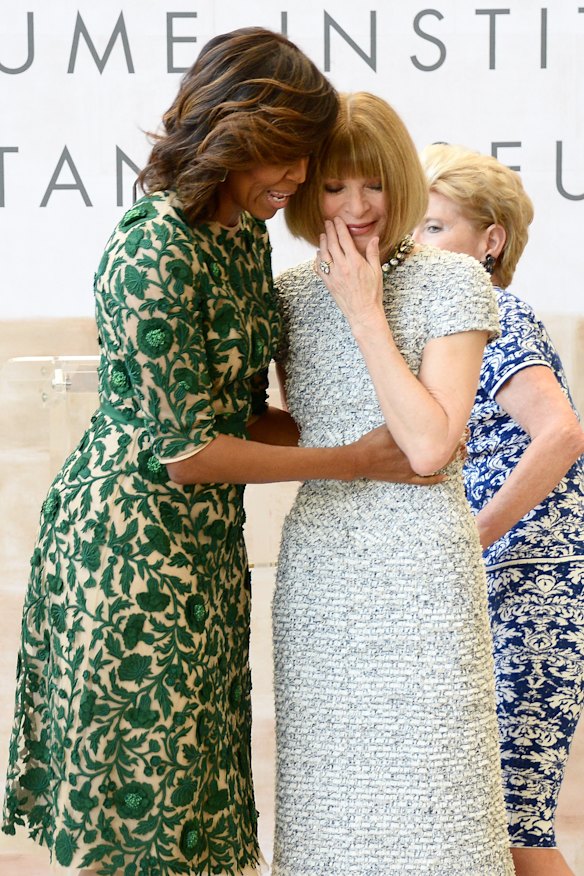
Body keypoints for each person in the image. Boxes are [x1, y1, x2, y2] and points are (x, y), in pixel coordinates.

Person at [0, 31, 430, 876]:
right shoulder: (149, 248)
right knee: (140, 817)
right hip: (126, 552)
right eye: (285, 156)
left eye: (304, 158)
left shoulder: (241, 234)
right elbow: (190, 450)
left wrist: (392, 430)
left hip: (200, 555)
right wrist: (350, 459)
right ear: (233, 128)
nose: (300, 179)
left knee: (197, 809)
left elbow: (239, 412)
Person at [270, 92, 515, 875]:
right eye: (336, 186)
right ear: (308, 190)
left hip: (421, 567)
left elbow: (428, 445)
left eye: (373, 184)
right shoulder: (286, 294)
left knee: (439, 798)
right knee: (328, 802)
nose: (355, 206)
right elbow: (294, 428)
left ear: (401, 181)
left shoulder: (452, 282)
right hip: (321, 570)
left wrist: (364, 308)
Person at [412, 143, 584, 876]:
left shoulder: (497, 312)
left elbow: (563, 434)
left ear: (491, 241)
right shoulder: (456, 322)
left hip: (536, 597)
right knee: (499, 827)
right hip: (500, 594)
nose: (416, 245)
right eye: (414, 229)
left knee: (519, 829)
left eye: (435, 227)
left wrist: (474, 536)